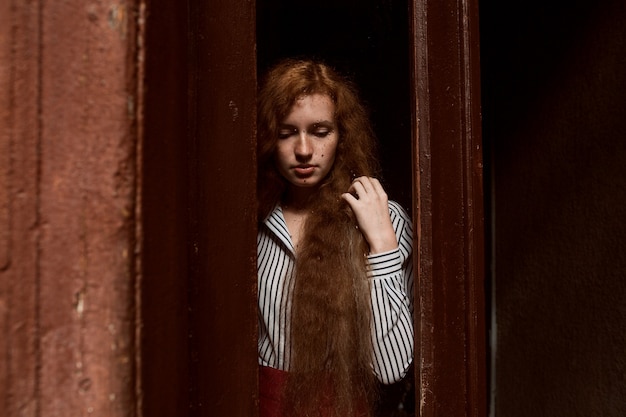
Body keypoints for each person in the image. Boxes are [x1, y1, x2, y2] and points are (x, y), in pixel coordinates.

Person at [257, 58, 414, 417]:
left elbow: (391, 368)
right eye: (286, 133)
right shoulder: (252, 222)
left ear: (342, 135)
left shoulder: (385, 221)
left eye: (320, 131)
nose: (303, 150)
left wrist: (382, 244)